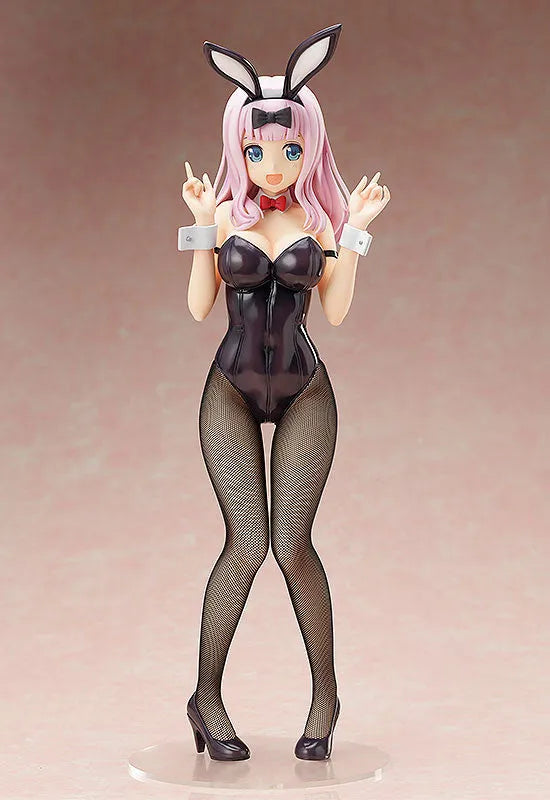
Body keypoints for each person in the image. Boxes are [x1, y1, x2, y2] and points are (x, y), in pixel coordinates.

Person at [178, 23, 391, 761]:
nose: (273, 166)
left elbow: (335, 311)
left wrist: (354, 230)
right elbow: (199, 307)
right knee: (245, 544)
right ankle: (205, 698)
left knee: (293, 544)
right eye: (258, 151)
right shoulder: (224, 215)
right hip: (230, 390)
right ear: (238, 148)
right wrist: (201, 226)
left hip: (305, 392)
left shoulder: (319, 219)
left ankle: (326, 697)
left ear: (312, 149)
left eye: (290, 151)